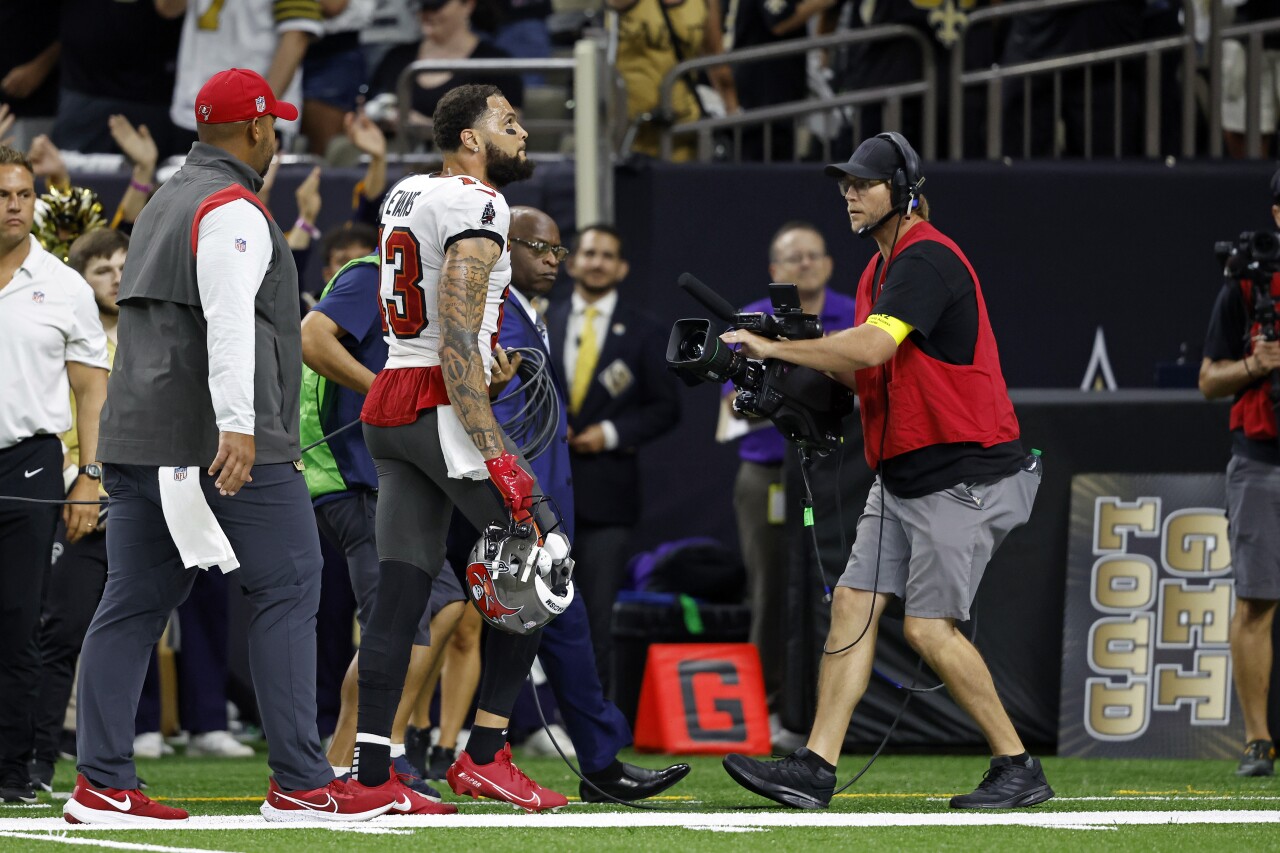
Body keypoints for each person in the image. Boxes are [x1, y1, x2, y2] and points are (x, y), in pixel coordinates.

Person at [69, 68, 397, 825]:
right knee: (289, 582)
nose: (278, 133)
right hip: (217, 438)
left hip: (138, 433)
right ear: (255, 130)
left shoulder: (163, 202)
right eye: (272, 123)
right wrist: (240, 425)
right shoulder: (232, 207)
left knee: (133, 598)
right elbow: (226, 318)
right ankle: (300, 781)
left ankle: (102, 781)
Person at [720, 132, 1051, 810]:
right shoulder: (879, 269)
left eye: (863, 183)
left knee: (929, 628)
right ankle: (816, 766)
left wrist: (774, 343)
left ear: (901, 190)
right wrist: (776, 369)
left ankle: (1018, 764)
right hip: (905, 475)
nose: (850, 192)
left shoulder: (927, 256)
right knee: (852, 604)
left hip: (965, 472)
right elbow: (858, 366)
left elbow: (871, 345)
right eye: (845, 183)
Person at [351, 83, 567, 812]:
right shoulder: (480, 204)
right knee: (545, 556)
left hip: (392, 399)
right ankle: (484, 753)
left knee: (401, 593)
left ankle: (372, 773)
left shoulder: (407, 194)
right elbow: (453, 339)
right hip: (439, 406)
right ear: (470, 140)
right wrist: (497, 453)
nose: (523, 135)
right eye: (508, 124)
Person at [473, 204, 690, 801]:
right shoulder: (499, 318)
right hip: (512, 506)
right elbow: (498, 422)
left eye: (557, 251)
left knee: (565, 629)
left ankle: (597, 760)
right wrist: (525, 506)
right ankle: (400, 754)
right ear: (502, 247)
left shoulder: (527, 313)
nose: (553, 260)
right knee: (446, 630)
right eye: (539, 248)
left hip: (546, 506)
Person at [298, 247, 476, 812]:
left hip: (391, 477)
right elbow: (312, 337)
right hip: (350, 476)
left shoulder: (432, 297)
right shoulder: (372, 277)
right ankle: (351, 763)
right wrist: (382, 391)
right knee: (400, 622)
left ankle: (375, 751)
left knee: (445, 605)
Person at [0, 146, 109, 806]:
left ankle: (12, 770)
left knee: (18, 618)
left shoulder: (64, 284)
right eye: (2, 193)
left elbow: (92, 392)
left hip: (31, 460)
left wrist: (89, 475)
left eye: (22, 193)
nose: (13, 204)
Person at [724, 221, 855, 719]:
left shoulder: (857, 315)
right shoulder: (757, 319)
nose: (805, 264)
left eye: (812, 255)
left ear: (828, 264)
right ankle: (765, 706)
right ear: (775, 270)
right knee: (771, 587)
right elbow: (735, 406)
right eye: (793, 257)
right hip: (768, 473)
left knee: (843, 584)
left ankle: (825, 703)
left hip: (839, 469)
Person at [547, 224, 681, 694]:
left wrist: (608, 433)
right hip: (543, 497)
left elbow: (667, 408)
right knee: (538, 611)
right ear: (572, 261)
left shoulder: (644, 331)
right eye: (589, 253)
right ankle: (534, 724)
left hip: (608, 497)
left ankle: (595, 724)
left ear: (621, 268)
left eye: (607, 254)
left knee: (596, 617)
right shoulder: (545, 321)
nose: (597, 261)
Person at [27, 228, 129, 795]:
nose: (116, 278)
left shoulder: (151, 336)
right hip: (80, 500)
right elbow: (58, 425)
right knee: (60, 631)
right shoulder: (72, 343)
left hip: (146, 503)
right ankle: (37, 757)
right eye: (102, 271)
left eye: (123, 267)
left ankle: (112, 753)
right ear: (79, 280)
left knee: (127, 629)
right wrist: (81, 483)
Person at [1198, 167, 1280, 777]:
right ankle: (1258, 739)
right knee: (1254, 601)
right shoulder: (1248, 284)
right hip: (1261, 460)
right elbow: (1208, 380)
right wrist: (1256, 365)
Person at [159, 0, 323, 142]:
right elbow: (167, 8)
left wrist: (262, 113)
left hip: (253, 116)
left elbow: (297, 34)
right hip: (192, 109)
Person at [368, 0, 525, 141]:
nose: (427, 12)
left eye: (437, 5)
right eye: (422, 5)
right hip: (396, 164)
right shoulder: (396, 59)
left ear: (468, 5)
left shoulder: (493, 63)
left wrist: (426, 128)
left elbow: (509, 131)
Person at [611, 0, 738, 161]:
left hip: (683, 130)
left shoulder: (704, 3)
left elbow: (717, 62)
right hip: (631, 136)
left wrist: (734, 118)